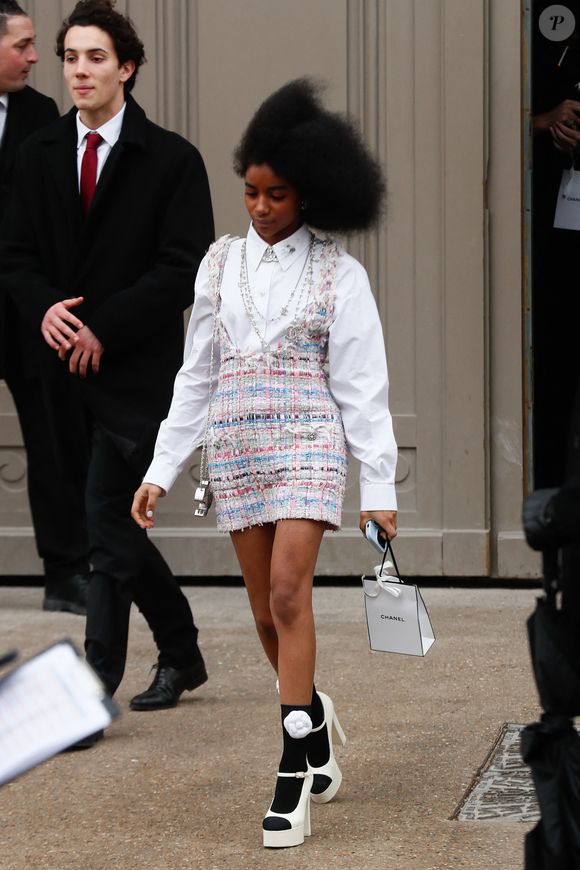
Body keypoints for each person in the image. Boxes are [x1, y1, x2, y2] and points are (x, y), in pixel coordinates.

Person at [132, 79, 398, 848]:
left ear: (308, 195)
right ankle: (310, 713)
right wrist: (161, 467)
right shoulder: (216, 266)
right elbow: (197, 375)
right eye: (249, 191)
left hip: (309, 443)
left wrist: (377, 485)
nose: (259, 206)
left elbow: (362, 385)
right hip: (236, 448)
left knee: (288, 592)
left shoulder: (340, 274)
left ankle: (291, 768)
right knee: (260, 612)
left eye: (276, 194)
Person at [1, 0, 215, 740]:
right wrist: (43, 310)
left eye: (96, 57)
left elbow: (182, 269)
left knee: (101, 522)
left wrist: (105, 324)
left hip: (137, 376)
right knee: (113, 527)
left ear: (126, 67)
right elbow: (16, 257)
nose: (80, 71)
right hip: (60, 371)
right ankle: (183, 651)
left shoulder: (173, 160)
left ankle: (91, 690)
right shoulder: (37, 154)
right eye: (70, 58)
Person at [0, 0, 91, 615]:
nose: (37, 58)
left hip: (24, 312)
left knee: (53, 446)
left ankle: (64, 576)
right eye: (23, 45)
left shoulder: (41, 116)